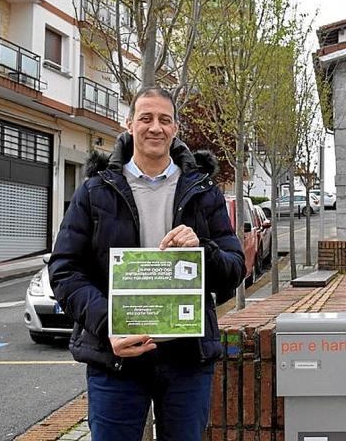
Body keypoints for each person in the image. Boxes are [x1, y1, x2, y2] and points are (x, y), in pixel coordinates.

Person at [49, 86, 245, 441]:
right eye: (146, 118)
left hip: (186, 358)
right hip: (116, 359)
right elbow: (64, 270)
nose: (155, 127)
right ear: (129, 124)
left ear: (175, 129)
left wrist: (201, 248)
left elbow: (234, 269)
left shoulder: (202, 190)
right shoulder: (95, 190)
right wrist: (110, 323)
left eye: (164, 120)